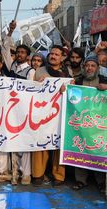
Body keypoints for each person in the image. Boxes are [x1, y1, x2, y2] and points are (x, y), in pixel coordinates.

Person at [72, 55, 107, 191]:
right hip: (81, 122)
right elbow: (67, 94)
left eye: (93, 66)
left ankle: (101, 182)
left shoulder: (105, 80)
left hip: (100, 123)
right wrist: (66, 89)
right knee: (80, 149)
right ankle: (80, 180)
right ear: (83, 67)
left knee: (100, 150)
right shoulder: (77, 81)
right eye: (87, 65)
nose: (89, 68)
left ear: (97, 68)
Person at [33, 45, 70, 187]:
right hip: (42, 112)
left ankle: (58, 175)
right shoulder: (40, 71)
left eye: (56, 54)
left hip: (60, 112)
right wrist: (38, 83)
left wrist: (69, 87)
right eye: (51, 54)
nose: (53, 56)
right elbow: (31, 89)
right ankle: (38, 174)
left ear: (62, 57)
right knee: (40, 141)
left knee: (58, 143)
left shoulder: (67, 72)